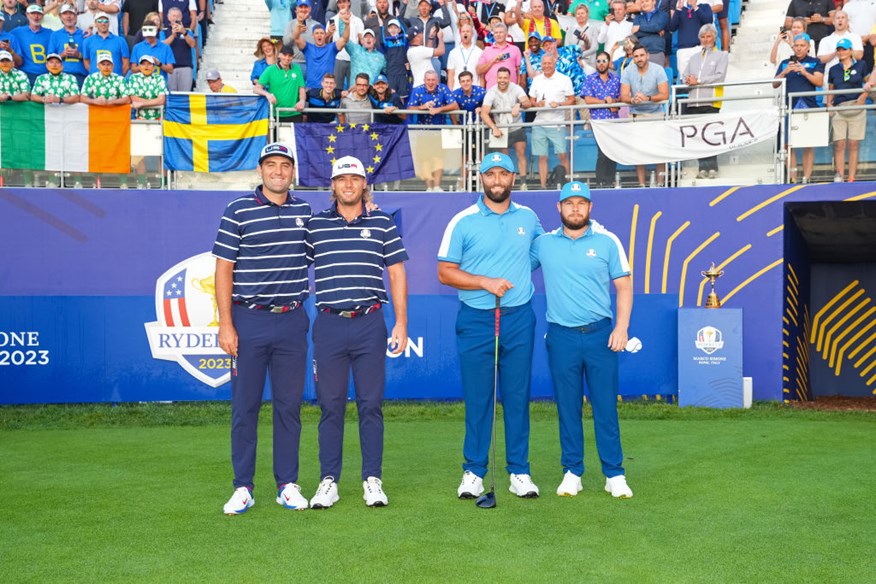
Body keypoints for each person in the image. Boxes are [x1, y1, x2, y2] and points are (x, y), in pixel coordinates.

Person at [438, 152, 544, 501]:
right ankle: (474, 471)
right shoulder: (463, 220)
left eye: (504, 174)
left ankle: (519, 471)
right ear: (479, 178)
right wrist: (484, 281)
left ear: (514, 177)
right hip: (476, 318)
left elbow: (540, 252)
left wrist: (515, 273)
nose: (497, 181)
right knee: (479, 397)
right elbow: (445, 271)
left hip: (517, 316)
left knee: (516, 396)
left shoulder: (528, 218)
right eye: (490, 175)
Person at [213, 142, 313, 516]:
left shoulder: (305, 210)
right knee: (245, 408)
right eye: (271, 165)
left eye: (284, 166)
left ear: (292, 172)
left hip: (291, 319)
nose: (277, 171)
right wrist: (226, 323)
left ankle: (287, 485)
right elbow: (224, 268)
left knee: (289, 407)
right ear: (261, 170)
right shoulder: (238, 209)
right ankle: (243, 487)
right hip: (249, 319)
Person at [306, 155, 409, 510]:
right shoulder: (315, 225)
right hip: (330, 325)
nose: (348, 185)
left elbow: (396, 273)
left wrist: (401, 322)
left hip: (370, 324)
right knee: (330, 406)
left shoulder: (382, 222)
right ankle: (328, 481)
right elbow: (293, 262)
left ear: (364, 184)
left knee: (370, 405)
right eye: (341, 179)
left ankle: (372, 479)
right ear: (332, 186)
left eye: (355, 179)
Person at [530, 181, 634, 500]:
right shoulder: (544, 243)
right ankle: (572, 471)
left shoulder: (607, 241)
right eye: (569, 203)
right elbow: (513, 262)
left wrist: (621, 328)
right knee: (568, 407)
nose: (575, 208)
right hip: (561, 336)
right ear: (559, 208)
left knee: (605, 406)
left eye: (581, 203)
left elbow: (624, 286)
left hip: (600, 334)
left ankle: (614, 474)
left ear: (590, 208)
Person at [774, 33, 825, 183]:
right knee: (788, 144)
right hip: (789, 107)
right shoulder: (785, 62)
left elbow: (819, 81)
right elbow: (774, 83)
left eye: (802, 46)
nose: (799, 48)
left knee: (807, 143)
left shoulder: (815, 62)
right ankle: (792, 178)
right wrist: (785, 72)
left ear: (808, 47)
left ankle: (806, 177)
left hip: (808, 106)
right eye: (796, 45)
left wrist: (804, 71)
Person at [681, 23, 728, 179]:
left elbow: (719, 77)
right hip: (693, 101)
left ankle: (713, 168)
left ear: (714, 37)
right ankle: (702, 168)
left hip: (711, 101)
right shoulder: (694, 57)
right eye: (702, 37)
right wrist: (688, 79)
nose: (705, 39)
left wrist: (699, 80)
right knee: (699, 137)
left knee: (711, 136)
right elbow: (684, 76)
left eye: (708, 36)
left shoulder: (722, 55)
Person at [620, 43, 669, 186]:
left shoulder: (658, 70)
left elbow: (665, 94)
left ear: (647, 55)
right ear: (632, 58)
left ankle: (660, 184)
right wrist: (633, 99)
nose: (639, 58)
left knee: (660, 151)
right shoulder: (628, 71)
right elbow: (624, 96)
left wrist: (647, 98)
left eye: (641, 55)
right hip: (636, 115)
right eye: (636, 56)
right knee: (639, 152)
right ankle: (642, 185)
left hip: (656, 114)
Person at [825, 37, 871, 182]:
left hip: (857, 106)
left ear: (850, 51)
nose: (841, 52)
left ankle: (851, 177)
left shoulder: (861, 65)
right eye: (838, 50)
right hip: (840, 107)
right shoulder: (833, 69)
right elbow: (831, 90)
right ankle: (840, 176)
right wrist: (829, 104)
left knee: (854, 143)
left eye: (844, 49)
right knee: (839, 143)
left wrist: (863, 97)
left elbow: (870, 83)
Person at [529, 52, 575, 188]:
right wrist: (537, 104)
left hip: (557, 123)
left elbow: (572, 100)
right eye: (544, 63)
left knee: (563, 155)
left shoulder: (564, 79)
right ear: (541, 65)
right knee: (542, 157)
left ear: (555, 63)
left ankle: (568, 185)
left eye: (549, 63)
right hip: (539, 123)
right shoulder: (536, 80)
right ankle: (543, 187)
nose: (547, 65)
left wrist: (560, 104)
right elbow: (531, 99)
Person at [481, 66, 532, 185]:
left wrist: (519, 104)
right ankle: (506, 183)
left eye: (505, 78)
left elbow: (528, 103)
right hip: (501, 129)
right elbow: (484, 113)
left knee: (521, 153)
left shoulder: (516, 88)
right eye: (500, 78)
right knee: (504, 158)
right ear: (496, 78)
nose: (502, 80)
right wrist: (494, 128)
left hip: (517, 128)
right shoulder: (492, 91)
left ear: (509, 78)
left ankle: (523, 183)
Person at [408, 69, 457, 191]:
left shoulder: (443, 88)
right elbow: (409, 108)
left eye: (433, 80)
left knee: (438, 159)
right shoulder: (418, 90)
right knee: (425, 160)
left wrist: (439, 109)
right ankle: (429, 188)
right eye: (428, 80)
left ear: (437, 80)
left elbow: (454, 105)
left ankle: (437, 187)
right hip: (422, 131)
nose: (430, 82)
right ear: (424, 80)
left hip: (439, 130)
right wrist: (422, 107)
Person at [583, 51, 621, 187]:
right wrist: (605, 102)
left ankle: (609, 181)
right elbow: (587, 99)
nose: (601, 64)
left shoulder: (616, 79)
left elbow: (620, 98)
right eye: (598, 61)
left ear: (609, 62)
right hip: (598, 121)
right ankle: (600, 182)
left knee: (613, 151)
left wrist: (615, 102)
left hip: (613, 121)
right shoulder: (590, 78)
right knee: (603, 152)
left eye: (604, 61)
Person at [292, 15, 352, 89]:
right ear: (313, 35)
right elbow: (296, 38)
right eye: (316, 33)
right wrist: (298, 27)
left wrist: (347, 24)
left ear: (325, 35)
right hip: (311, 88)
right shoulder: (308, 48)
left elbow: (344, 39)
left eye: (321, 33)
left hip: (327, 88)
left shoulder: (331, 48)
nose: (319, 35)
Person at [255, 44, 307, 122]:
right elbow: (256, 88)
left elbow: (301, 88)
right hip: (276, 114)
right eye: (285, 55)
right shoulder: (270, 70)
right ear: (279, 55)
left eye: (290, 56)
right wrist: (267, 94)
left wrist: (302, 100)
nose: (287, 58)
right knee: (275, 134)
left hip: (294, 113)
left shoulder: (297, 69)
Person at [670, 0, 714, 78]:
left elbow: (708, 21)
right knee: (684, 79)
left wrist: (695, 7)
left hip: (699, 48)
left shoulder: (704, 6)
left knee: (699, 76)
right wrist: (678, 10)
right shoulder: (681, 9)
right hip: (683, 50)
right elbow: (672, 27)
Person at [46, 4, 86, 88]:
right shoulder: (55, 35)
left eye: (71, 13)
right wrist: (62, 55)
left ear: (76, 16)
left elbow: (91, 58)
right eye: (65, 13)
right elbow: (49, 58)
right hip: (60, 75)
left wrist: (78, 55)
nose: (68, 16)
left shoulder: (85, 35)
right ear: (60, 17)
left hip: (80, 76)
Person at [11, 4, 51, 85]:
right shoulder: (17, 32)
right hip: (24, 74)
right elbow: (3, 36)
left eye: (39, 13)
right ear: (27, 15)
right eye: (33, 13)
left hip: (46, 75)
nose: (36, 16)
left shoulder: (51, 33)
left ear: (42, 15)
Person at [329, 0, 365, 89]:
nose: (342, 4)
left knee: (353, 88)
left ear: (349, 3)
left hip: (354, 59)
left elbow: (362, 40)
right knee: (336, 89)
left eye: (344, 1)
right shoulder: (332, 20)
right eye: (340, 2)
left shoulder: (358, 20)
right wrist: (329, 33)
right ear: (337, 4)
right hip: (338, 58)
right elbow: (327, 41)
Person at [82, 11, 130, 76]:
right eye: (99, 21)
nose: (103, 23)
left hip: (115, 80)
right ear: (95, 23)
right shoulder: (87, 41)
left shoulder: (120, 41)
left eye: (105, 21)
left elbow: (126, 64)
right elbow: (86, 62)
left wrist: (118, 78)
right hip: (96, 80)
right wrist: (94, 75)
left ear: (109, 23)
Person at [160, 7, 196, 92]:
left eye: (178, 16)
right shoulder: (164, 32)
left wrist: (184, 32)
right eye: (173, 16)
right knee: (172, 95)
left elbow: (193, 44)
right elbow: (162, 46)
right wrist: (173, 35)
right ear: (168, 17)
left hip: (185, 67)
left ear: (181, 18)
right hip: (170, 68)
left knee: (185, 95)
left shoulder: (188, 32)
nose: (176, 18)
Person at [476, 22, 522, 88]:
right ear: (493, 35)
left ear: (506, 34)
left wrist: (518, 89)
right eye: (496, 33)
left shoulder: (515, 49)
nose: (498, 35)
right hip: (492, 91)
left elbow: (519, 72)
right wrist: (493, 61)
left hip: (511, 91)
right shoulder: (486, 50)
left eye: (501, 32)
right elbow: (479, 71)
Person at [283, 0, 319, 80]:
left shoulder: (317, 25)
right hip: (295, 62)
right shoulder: (290, 24)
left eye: (305, 7)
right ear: (296, 9)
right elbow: (285, 43)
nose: (303, 10)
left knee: (311, 90)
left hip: (312, 63)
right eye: (301, 7)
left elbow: (321, 44)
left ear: (310, 9)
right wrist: (296, 32)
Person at [407, 21, 445, 88]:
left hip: (419, 86)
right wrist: (440, 38)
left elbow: (427, 53)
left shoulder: (411, 50)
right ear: (417, 37)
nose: (422, 34)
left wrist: (431, 37)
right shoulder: (419, 50)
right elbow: (441, 51)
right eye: (420, 33)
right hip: (426, 86)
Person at [446, 21, 482, 89]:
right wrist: (450, 95)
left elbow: (481, 76)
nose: (465, 33)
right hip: (457, 90)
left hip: (475, 90)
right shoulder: (453, 53)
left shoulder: (479, 52)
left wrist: (481, 91)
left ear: (472, 34)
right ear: (460, 34)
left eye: (468, 31)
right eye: (463, 31)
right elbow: (450, 76)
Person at [128, 54, 167, 118]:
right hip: (140, 118)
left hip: (159, 118)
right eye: (143, 64)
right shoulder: (134, 78)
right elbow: (134, 99)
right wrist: (155, 101)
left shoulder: (160, 78)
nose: (146, 66)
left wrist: (142, 104)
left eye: (149, 64)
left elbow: (162, 100)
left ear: (154, 67)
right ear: (139, 67)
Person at [631, 0, 669, 65]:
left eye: (646, 1)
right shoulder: (638, 17)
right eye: (642, 2)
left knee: (656, 74)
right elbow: (636, 34)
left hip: (656, 52)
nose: (644, 4)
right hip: (641, 53)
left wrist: (640, 28)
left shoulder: (663, 14)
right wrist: (656, 32)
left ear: (654, 2)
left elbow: (658, 27)